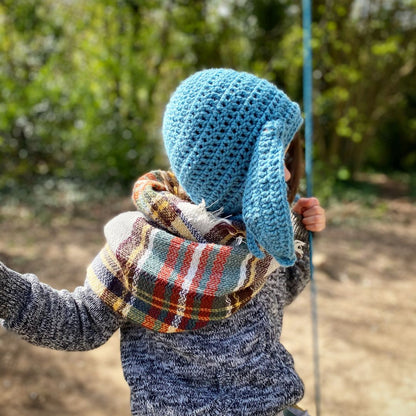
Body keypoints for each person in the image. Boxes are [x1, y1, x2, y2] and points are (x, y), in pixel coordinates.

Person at [0, 68, 326, 416]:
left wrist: (302, 236)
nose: (289, 175)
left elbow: (279, 296)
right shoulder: (140, 252)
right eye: (277, 160)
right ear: (231, 169)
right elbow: (78, 322)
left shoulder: (257, 236)